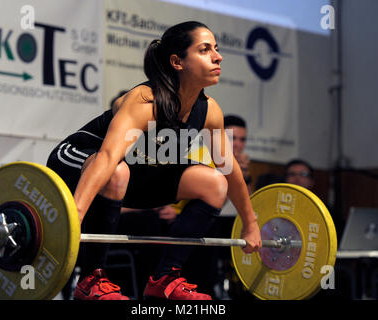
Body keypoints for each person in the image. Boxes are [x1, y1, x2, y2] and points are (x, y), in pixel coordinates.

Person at [46, 21, 261, 300]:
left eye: (216, 49)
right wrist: (73, 217)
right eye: (205, 49)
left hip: (133, 178)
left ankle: (165, 279)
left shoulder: (210, 111)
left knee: (215, 184)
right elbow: (109, 157)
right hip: (77, 160)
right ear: (177, 62)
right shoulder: (145, 101)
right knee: (117, 171)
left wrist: (250, 223)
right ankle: (90, 279)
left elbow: (229, 170)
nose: (218, 57)